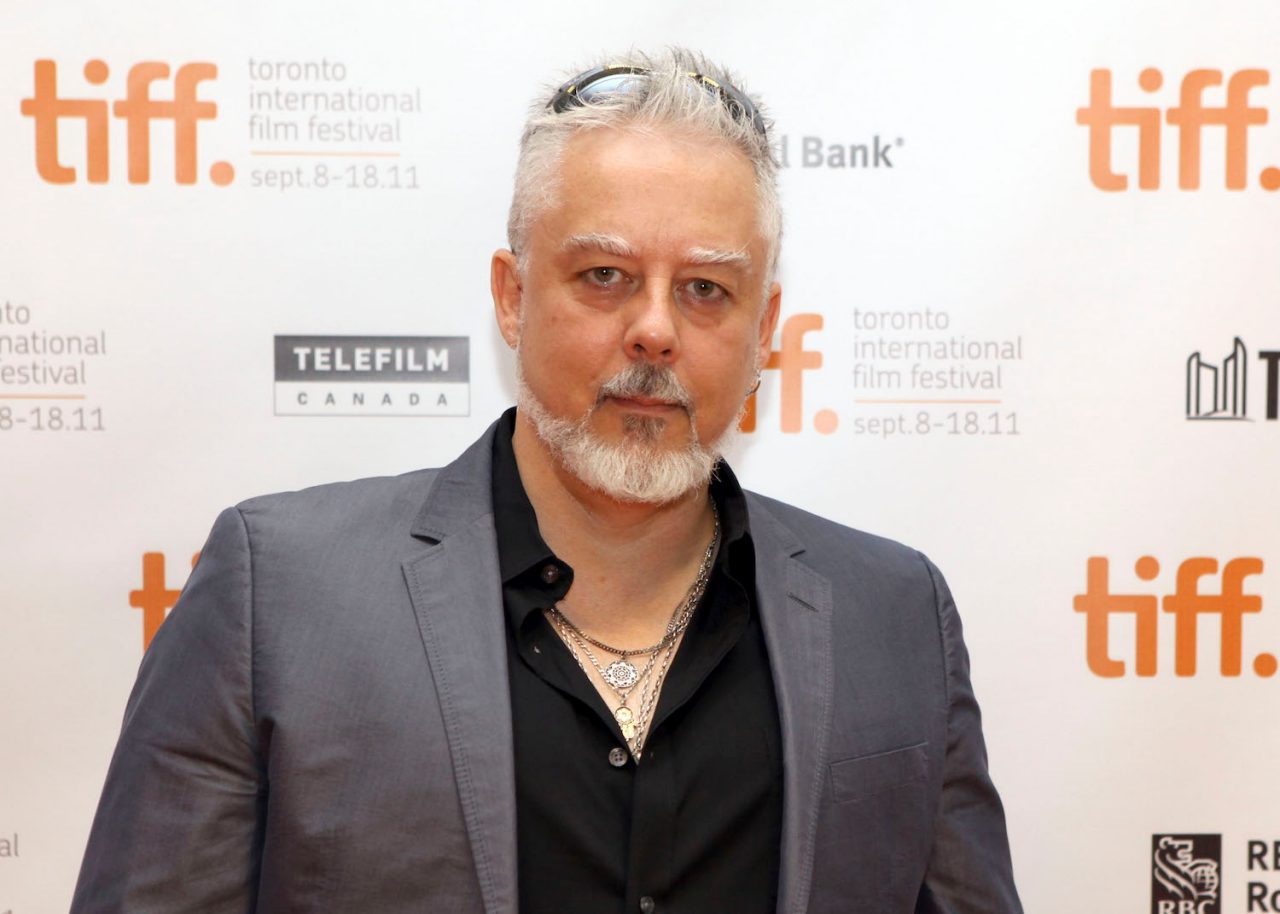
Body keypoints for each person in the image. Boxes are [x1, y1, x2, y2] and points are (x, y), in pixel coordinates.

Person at [72, 48, 1023, 914]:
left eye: (705, 289)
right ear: (513, 296)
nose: (655, 331)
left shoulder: (895, 615)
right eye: (605, 275)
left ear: (765, 328)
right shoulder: (278, 595)